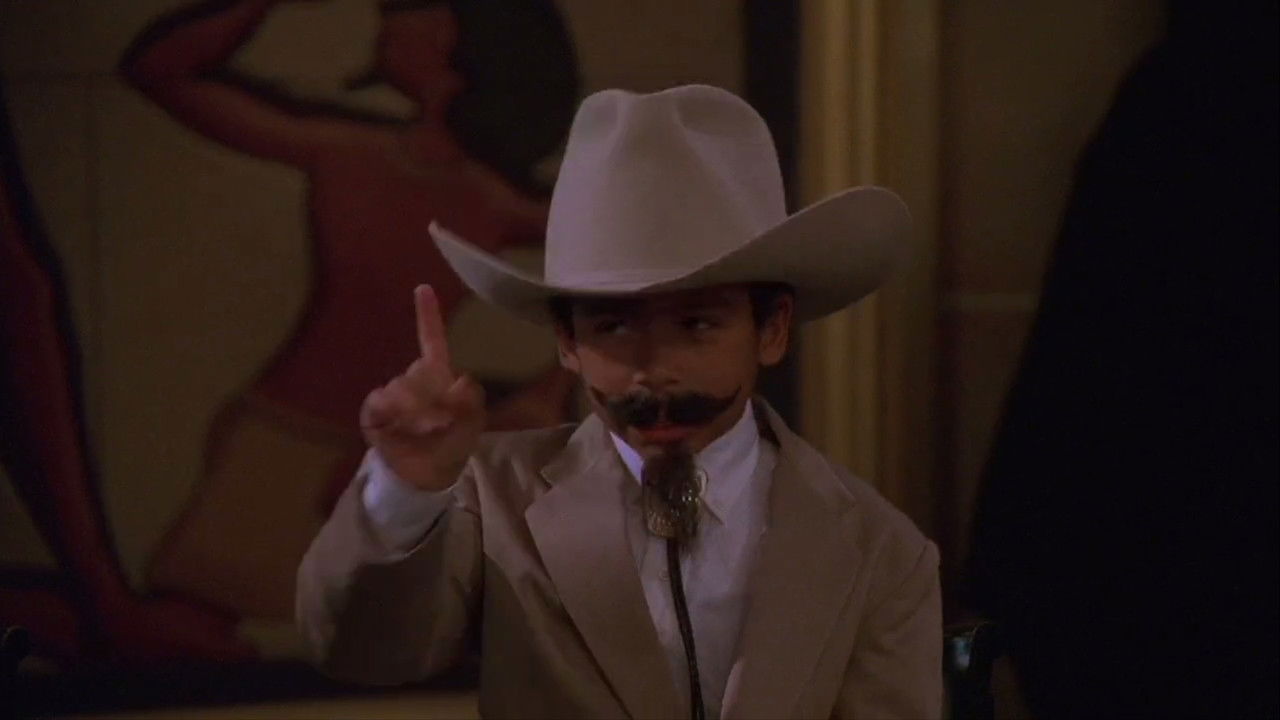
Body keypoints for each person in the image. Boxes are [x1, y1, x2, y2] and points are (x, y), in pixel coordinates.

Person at [297, 85, 942, 718]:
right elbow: (363, 654)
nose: (651, 369)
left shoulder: (879, 550)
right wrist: (406, 492)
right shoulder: (490, 497)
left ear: (772, 330)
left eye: (696, 325)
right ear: (567, 342)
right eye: (612, 326)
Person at [118, 0, 578, 621]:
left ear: (463, 39)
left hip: (396, 464)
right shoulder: (351, 152)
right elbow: (162, 73)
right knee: (193, 631)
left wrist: (546, 394)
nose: (389, 18)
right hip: (280, 443)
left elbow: (645, 270)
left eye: (415, 8)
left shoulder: (490, 200)